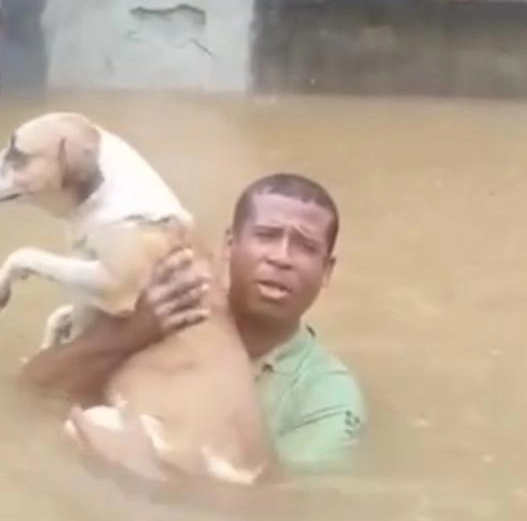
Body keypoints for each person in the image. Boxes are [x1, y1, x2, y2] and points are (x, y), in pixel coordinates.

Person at [20, 173, 367, 472]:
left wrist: (147, 468)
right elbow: (29, 391)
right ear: (230, 245)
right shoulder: (162, 306)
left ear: (327, 271)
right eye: (266, 235)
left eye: (305, 247)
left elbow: (284, 510)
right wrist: (129, 334)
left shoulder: (328, 396)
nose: (281, 257)